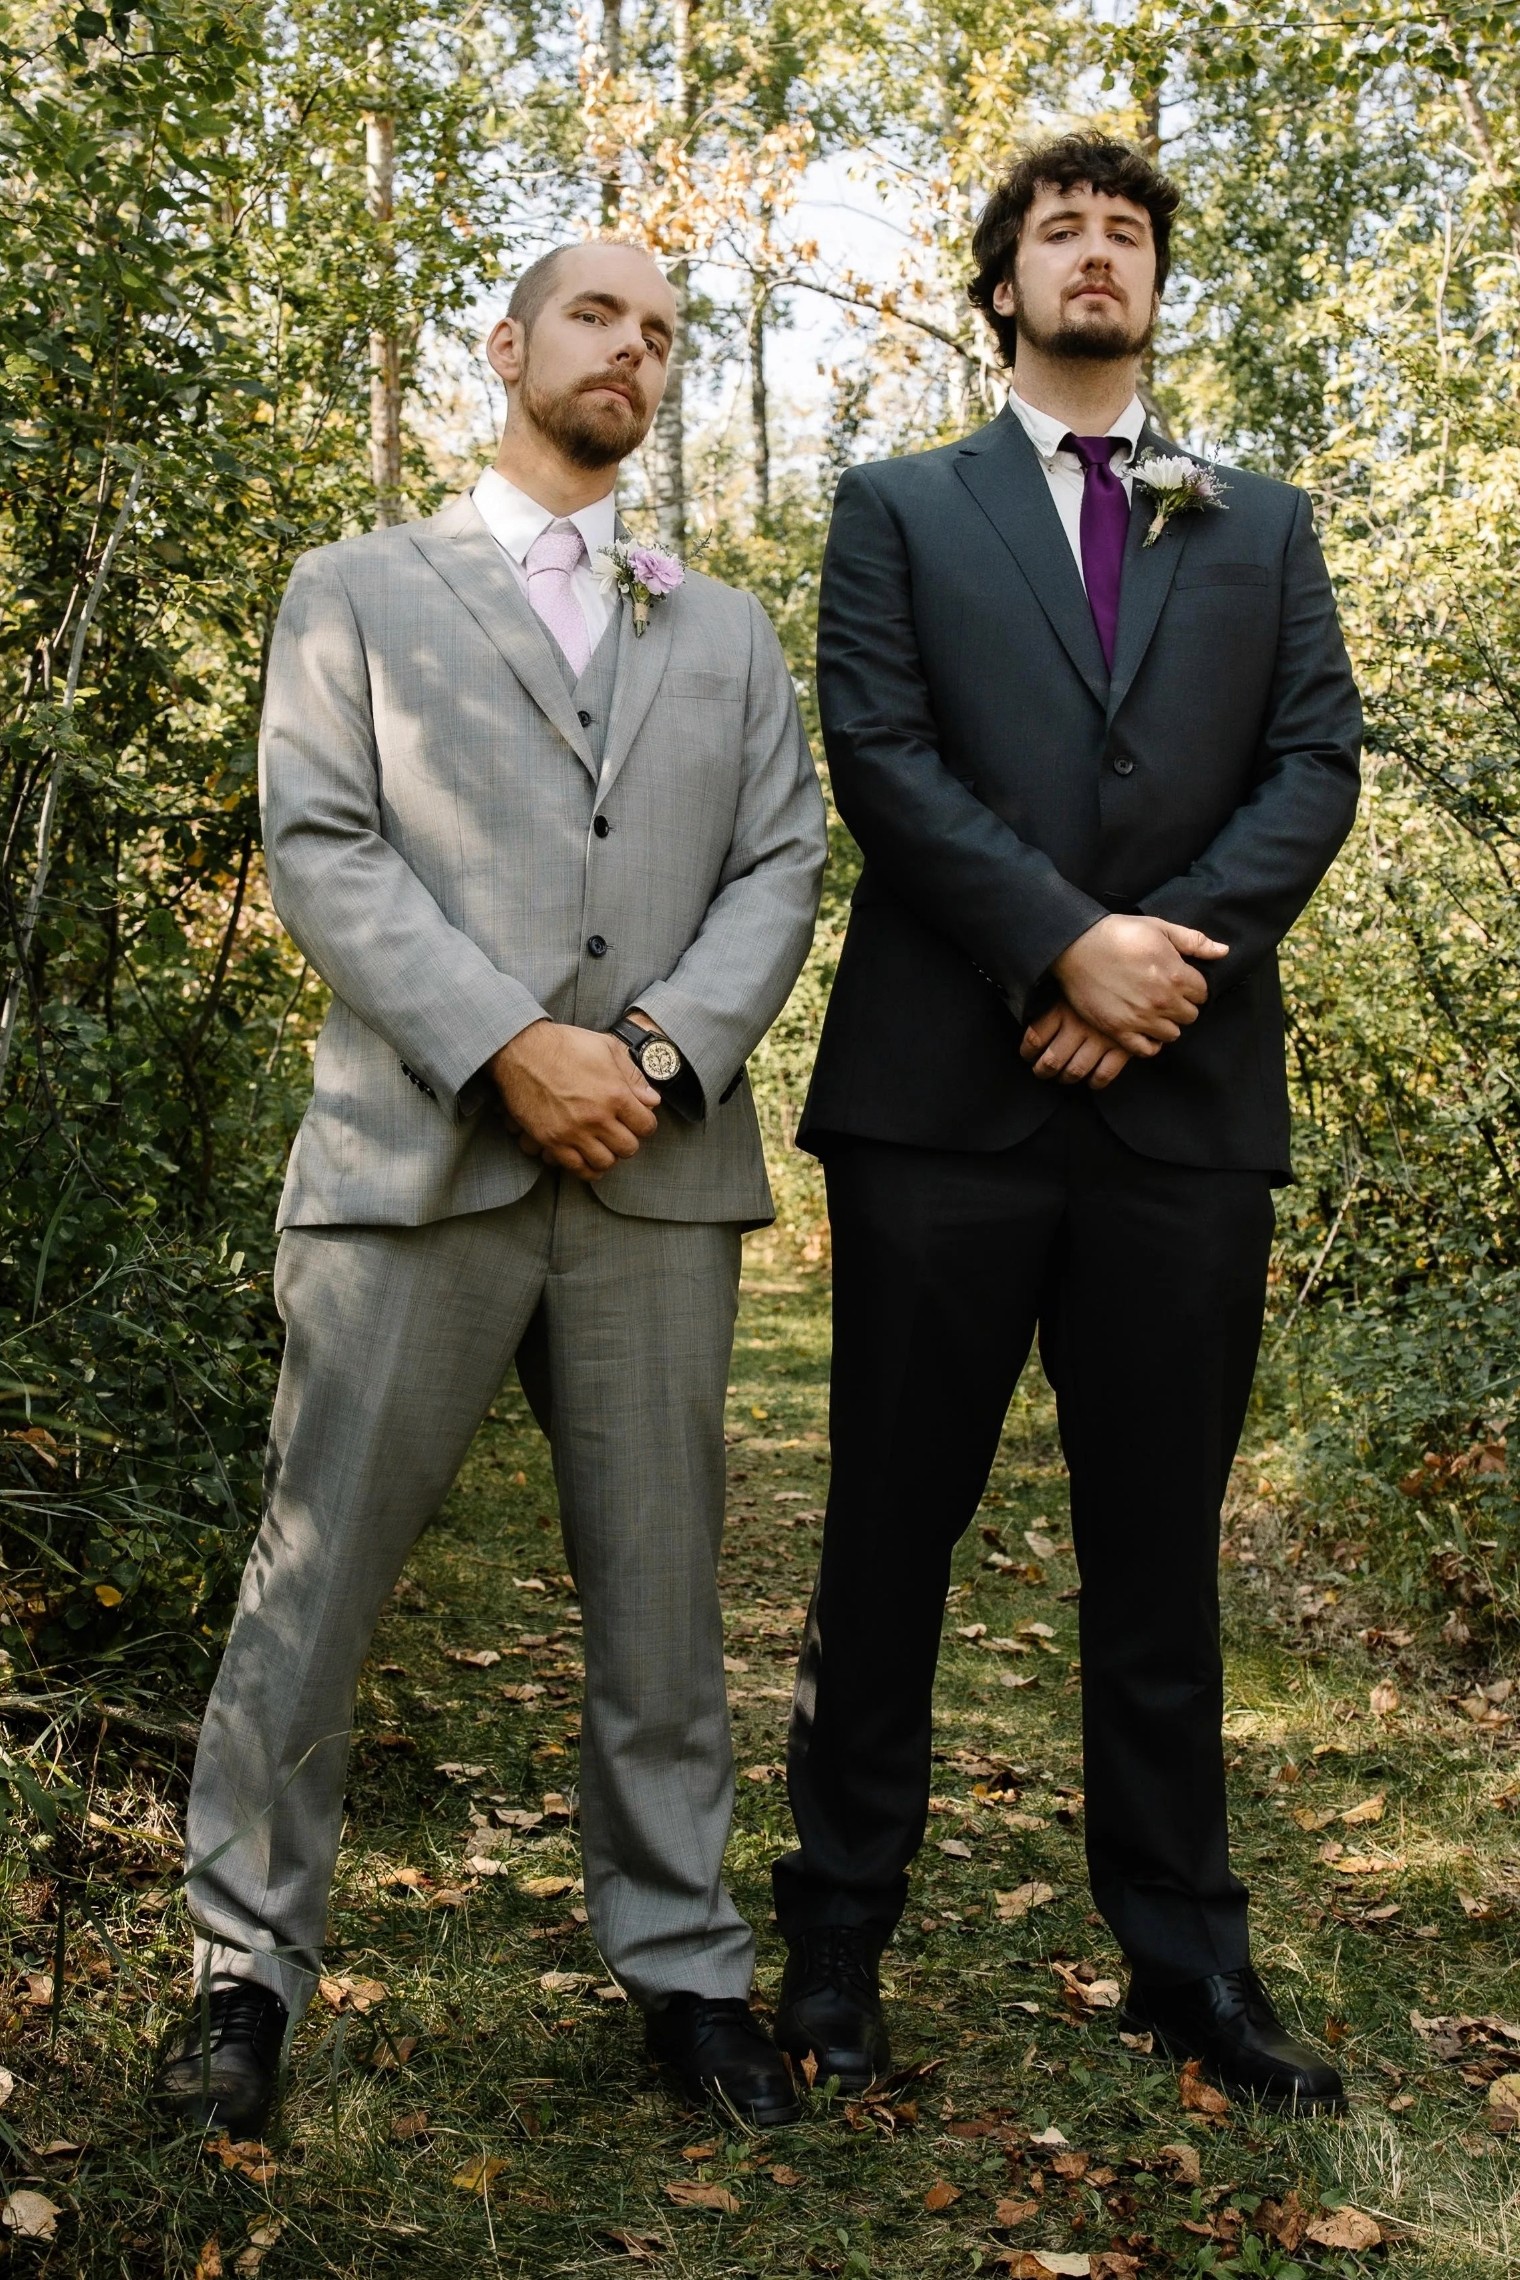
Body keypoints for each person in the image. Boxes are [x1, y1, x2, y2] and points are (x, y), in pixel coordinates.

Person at [153, 238, 827, 2135]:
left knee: (663, 1599)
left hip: (654, 1182)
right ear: (511, 343)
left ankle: (687, 1970)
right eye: (602, 316)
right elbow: (325, 841)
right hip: (413, 1165)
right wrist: (513, 1045)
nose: (639, 350)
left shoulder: (732, 630)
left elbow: (783, 862)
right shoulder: (355, 589)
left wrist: (665, 1059)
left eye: (669, 333)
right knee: (315, 1582)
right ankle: (243, 1970)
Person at [771, 133, 1362, 2111]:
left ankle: (1187, 1959)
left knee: (1157, 1555)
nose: (1096, 253)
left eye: (1126, 232)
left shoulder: (1253, 520)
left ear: (1153, 286)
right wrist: (1055, 949)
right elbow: (881, 750)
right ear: (999, 284)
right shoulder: (898, 507)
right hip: (943, 1105)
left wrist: (1150, 966)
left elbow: (1309, 766)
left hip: (1180, 1110)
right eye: (1060, 229)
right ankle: (836, 1946)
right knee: (887, 1543)